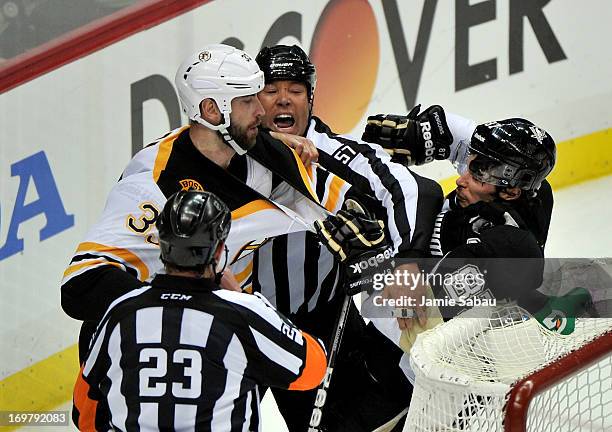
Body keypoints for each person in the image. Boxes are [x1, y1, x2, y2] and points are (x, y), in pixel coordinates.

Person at [61, 43, 349, 361]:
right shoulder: (154, 186)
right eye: (248, 100)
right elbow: (80, 284)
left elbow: (350, 188)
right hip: (130, 362)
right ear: (213, 111)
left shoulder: (254, 151)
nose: (261, 110)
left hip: (211, 345)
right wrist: (182, 309)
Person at [251, 45, 444, 431]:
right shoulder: (229, 154)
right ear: (253, 98)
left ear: (311, 97)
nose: (283, 99)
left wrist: (407, 264)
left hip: (320, 318)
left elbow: (416, 190)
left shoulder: (332, 153)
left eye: (295, 89)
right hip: (243, 319)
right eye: (271, 90)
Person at [72, 190, 327, 431]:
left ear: (162, 245)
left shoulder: (120, 312)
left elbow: (85, 410)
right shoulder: (243, 313)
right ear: (218, 250)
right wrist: (244, 298)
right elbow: (313, 369)